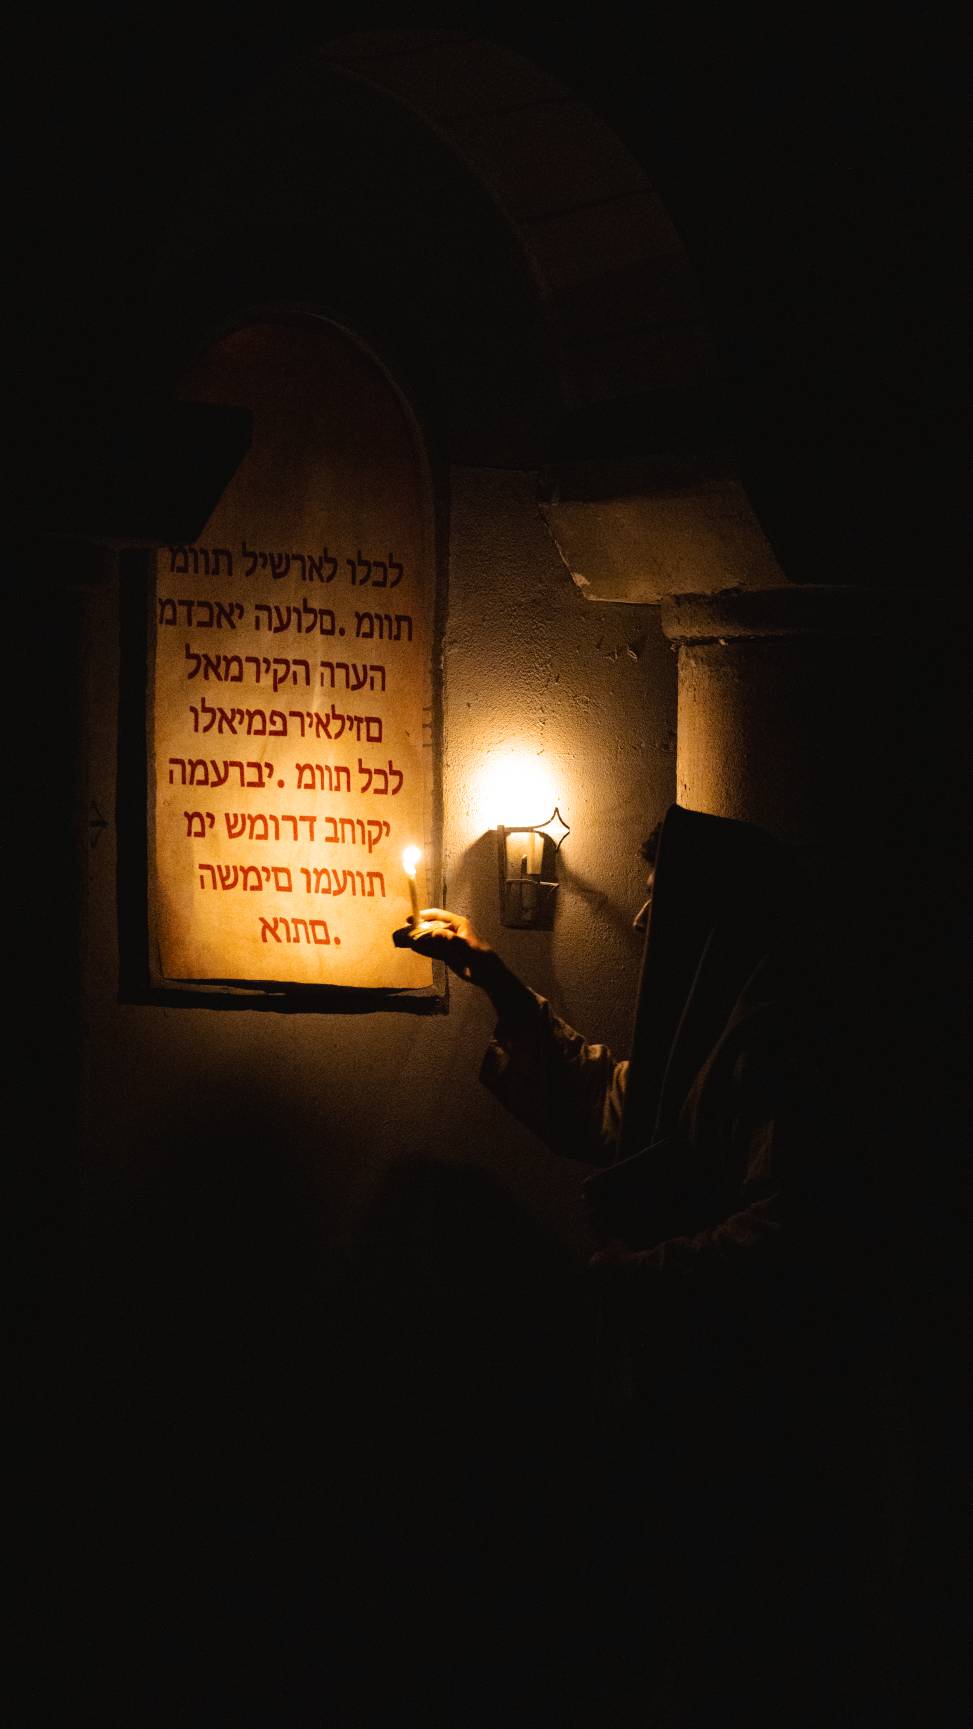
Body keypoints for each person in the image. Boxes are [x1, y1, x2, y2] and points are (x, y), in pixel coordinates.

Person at [393, 802, 893, 1720]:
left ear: (718, 912)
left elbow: (793, 1235)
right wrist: (494, 976)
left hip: (746, 1418)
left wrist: (627, 1277)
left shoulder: (785, 1036)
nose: (638, 918)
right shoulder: (718, 1026)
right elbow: (622, 1105)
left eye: (659, 897)